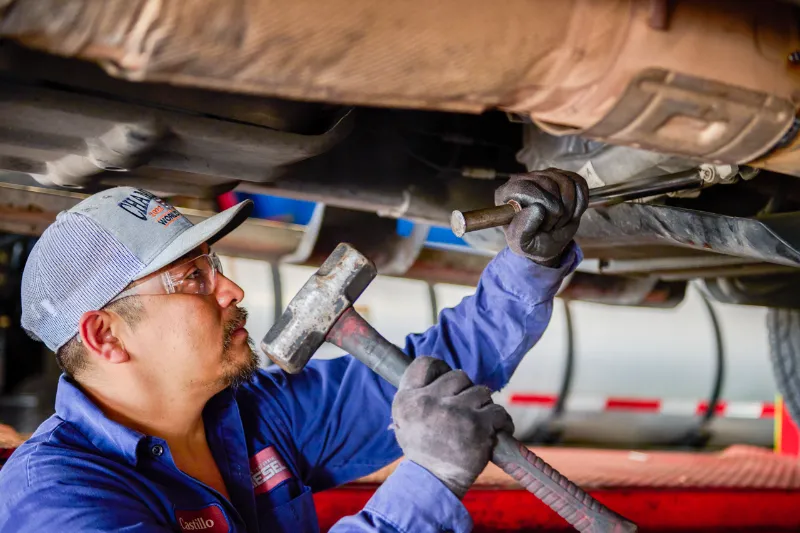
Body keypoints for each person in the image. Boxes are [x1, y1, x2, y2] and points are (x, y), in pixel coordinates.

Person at [0, 169, 588, 533]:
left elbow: (437, 374)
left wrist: (528, 264)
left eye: (216, 268)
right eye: (193, 279)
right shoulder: (57, 498)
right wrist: (427, 486)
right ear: (106, 335)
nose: (232, 291)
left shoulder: (255, 414)